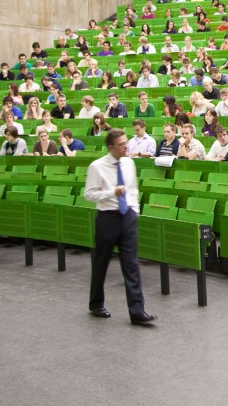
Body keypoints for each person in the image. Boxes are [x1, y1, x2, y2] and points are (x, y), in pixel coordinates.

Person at [83, 130, 156, 325]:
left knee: (131, 265)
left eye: (126, 143)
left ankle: (137, 311)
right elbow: (89, 194)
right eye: (122, 144)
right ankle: (96, 303)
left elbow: (132, 189)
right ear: (111, 147)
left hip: (127, 217)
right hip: (107, 217)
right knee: (101, 263)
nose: (127, 147)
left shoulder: (129, 163)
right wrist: (111, 193)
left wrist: (134, 211)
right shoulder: (96, 167)